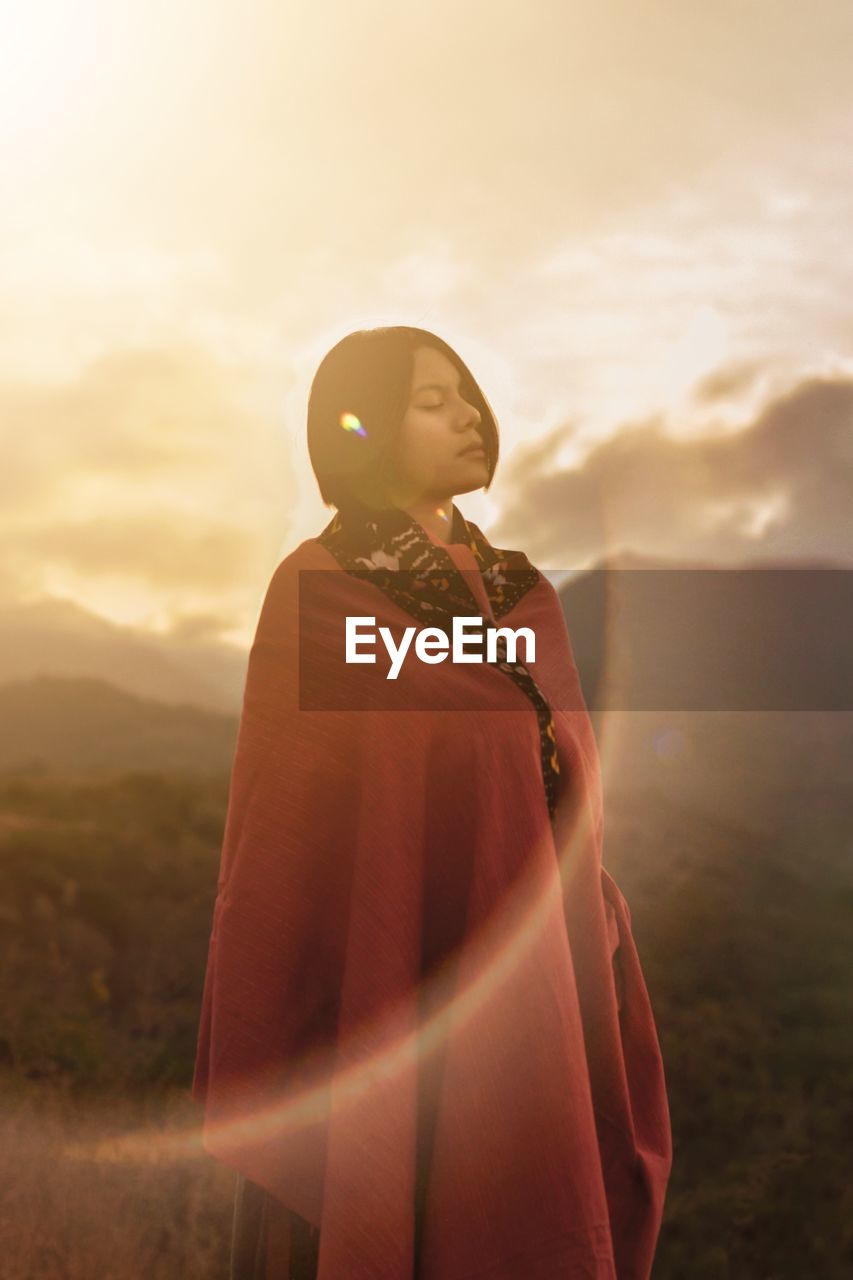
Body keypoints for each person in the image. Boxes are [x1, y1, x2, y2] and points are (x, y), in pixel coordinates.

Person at [192, 326, 673, 1279]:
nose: (466, 414)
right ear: (363, 432)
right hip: (380, 990)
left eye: (464, 393)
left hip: (530, 981)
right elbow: (280, 835)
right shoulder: (319, 595)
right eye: (429, 400)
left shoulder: (523, 596)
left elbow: (562, 791)